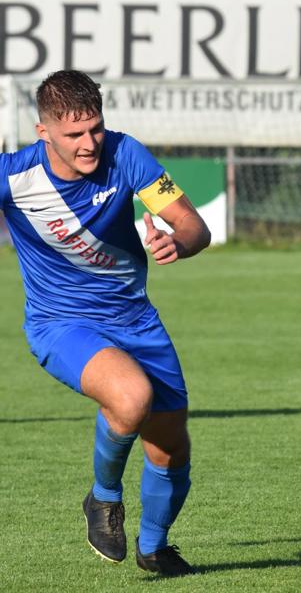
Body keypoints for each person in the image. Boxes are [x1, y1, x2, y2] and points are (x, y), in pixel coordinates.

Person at [0, 70, 211, 577]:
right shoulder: (14, 177)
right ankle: (103, 498)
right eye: (74, 134)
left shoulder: (126, 154)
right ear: (42, 130)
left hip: (136, 320)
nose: (89, 142)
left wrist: (177, 244)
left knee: (170, 444)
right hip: (61, 323)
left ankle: (155, 548)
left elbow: (193, 225)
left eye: (95, 128)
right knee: (131, 397)